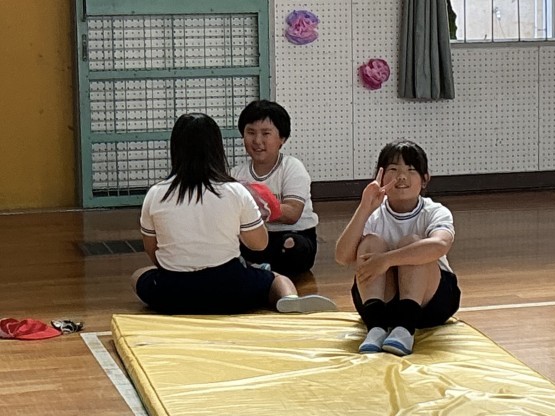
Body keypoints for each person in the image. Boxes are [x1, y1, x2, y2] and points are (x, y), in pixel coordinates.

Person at [131, 112, 336, 315]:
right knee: (277, 279)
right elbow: (259, 244)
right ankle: (289, 300)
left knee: (138, 275)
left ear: (175, 148)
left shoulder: (155, 193)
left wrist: (177, 271)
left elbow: (152, 249)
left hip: (172, 294)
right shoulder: (235, 190)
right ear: (216, 148)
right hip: (229, 291)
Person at [335, 140, 460, 356]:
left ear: (424, 179)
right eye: (393, 169)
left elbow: (440, 245)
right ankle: (376, 328)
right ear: (381, 176)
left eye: (411, 170)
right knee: (371, 243)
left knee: (412, 244)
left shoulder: (435, 211)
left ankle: (405, 329)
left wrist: (387, 260)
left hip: (430, 304)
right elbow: (342, 257)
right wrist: (364, 207)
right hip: (382, 304)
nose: (401, 177)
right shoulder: (374, 214)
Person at [231, 100, 318, 277]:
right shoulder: (236, 173)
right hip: (255, 237)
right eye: (251, 133)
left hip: (293, 234)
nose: (257, 141)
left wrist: (257, 204)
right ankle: (260, 271)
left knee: (293, 246)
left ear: (282, 139)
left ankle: (261, 272)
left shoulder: (292, 167)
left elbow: (292, 214)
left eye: (266, 134)